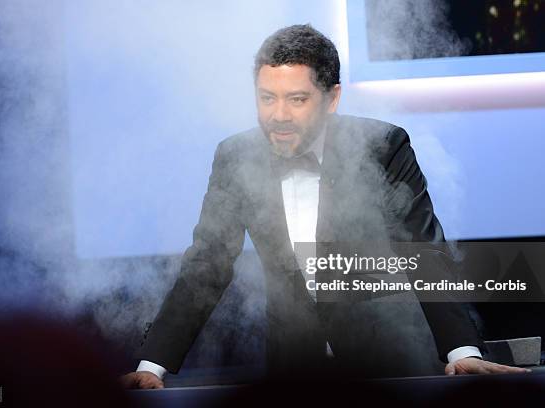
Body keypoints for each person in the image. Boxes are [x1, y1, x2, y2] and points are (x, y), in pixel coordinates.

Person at [122, 24, 528, 389]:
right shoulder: (233, 156)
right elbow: (206, 264)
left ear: (332, 98)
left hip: (393, 362)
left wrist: (463, 352)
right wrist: (152, 365)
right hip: (295, 369)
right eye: (267, 98)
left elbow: (423, 251)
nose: (278, 116)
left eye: (296, 99)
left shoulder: (384, 147)